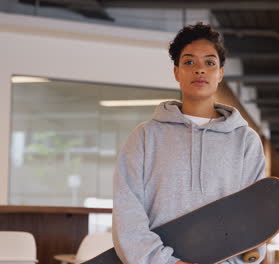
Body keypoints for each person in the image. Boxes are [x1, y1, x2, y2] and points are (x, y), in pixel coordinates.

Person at [112, 22, 267, 264]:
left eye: (209, 62)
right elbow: (127, 214)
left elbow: (255, 217)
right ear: (176, 72)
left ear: (221, 73)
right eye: (189, 62)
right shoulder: (144, 137)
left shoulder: (246, 142)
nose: (199, 70)